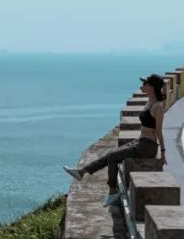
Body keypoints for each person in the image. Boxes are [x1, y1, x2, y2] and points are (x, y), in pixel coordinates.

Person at [63, 73, 166, 207]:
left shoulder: (158, 106)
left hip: (148, 146)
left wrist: (163, 152)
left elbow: (158, 131)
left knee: (112, 156)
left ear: (152, 87)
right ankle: (82, 172)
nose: (142, 86)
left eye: (145, 84)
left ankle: (111, 191)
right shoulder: (149, 102)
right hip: (141, 141)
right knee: (111, 154)